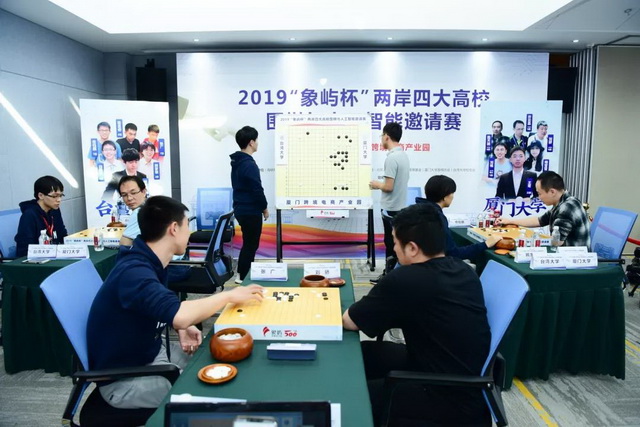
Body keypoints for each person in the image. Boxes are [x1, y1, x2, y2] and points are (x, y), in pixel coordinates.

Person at [87, 196, 265, 410]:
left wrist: (179, 325)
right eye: (187, 225)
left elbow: (157, 308)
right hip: (125, 380)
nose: (189, 232)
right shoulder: (135, 272)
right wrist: (228, 296)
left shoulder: (150, 260)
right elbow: (180, 314)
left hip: (151, 352)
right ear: (173, 228)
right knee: (214, 396)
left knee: (213, 358)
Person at [342, 203, 491, 426]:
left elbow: (349, 321)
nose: (393, 248)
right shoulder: (463, 269)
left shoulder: (406, 280)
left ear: (412, 248)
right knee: (363, 354)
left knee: (351, 400)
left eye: (395, 242)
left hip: (445, 397)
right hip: (459, 378)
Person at [418, 175, 502, 260]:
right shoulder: (437, 218)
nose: (453, 196)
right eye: (452, 193)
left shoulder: (419, 210)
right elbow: (453, 254)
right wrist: (486, 244)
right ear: (445, 197)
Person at [496, 171, 590, 247]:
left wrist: (531, 239)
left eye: (539, 194)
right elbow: (539, 220)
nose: (539, 198)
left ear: (552, 192)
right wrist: (510, 221)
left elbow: (557, 242)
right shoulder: (563, 202)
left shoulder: (566, 208)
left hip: (573, 260)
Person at [369, 122, 410, 283]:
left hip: (390, 209)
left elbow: (388, 186)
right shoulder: (403, 155)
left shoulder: (392, 158)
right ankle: (392, 276)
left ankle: (389, 278)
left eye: (382, 136)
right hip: (399, 207)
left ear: (386, 136)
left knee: (391, 244)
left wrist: (376, 184)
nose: (381, 139)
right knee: (395, 243)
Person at [230, 126, 269, 285]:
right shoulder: (248, 164)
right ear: (251, 142)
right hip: (250, 210)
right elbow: (256, 189)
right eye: (256, 140)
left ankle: (242, 273)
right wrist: (264, 208)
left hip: (241, 209)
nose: (258, 143)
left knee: (249, 244)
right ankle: (243, 276)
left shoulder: (238, 162)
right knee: (251, 245)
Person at [15, 176, 69, 257]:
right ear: (41, 195)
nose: (59, 200)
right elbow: (24, 250)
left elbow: (62, 235)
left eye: (60, 196)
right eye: (54, 196)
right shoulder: (29, 215)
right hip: (36, 259)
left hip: (54, 255)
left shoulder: (55, 210)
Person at [118, 176, 148, 246]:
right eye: (124, 195)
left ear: (144, 192)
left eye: (133, 193)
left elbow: (124, 245)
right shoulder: (154, 205)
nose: (129, 198)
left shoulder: (140, 212)